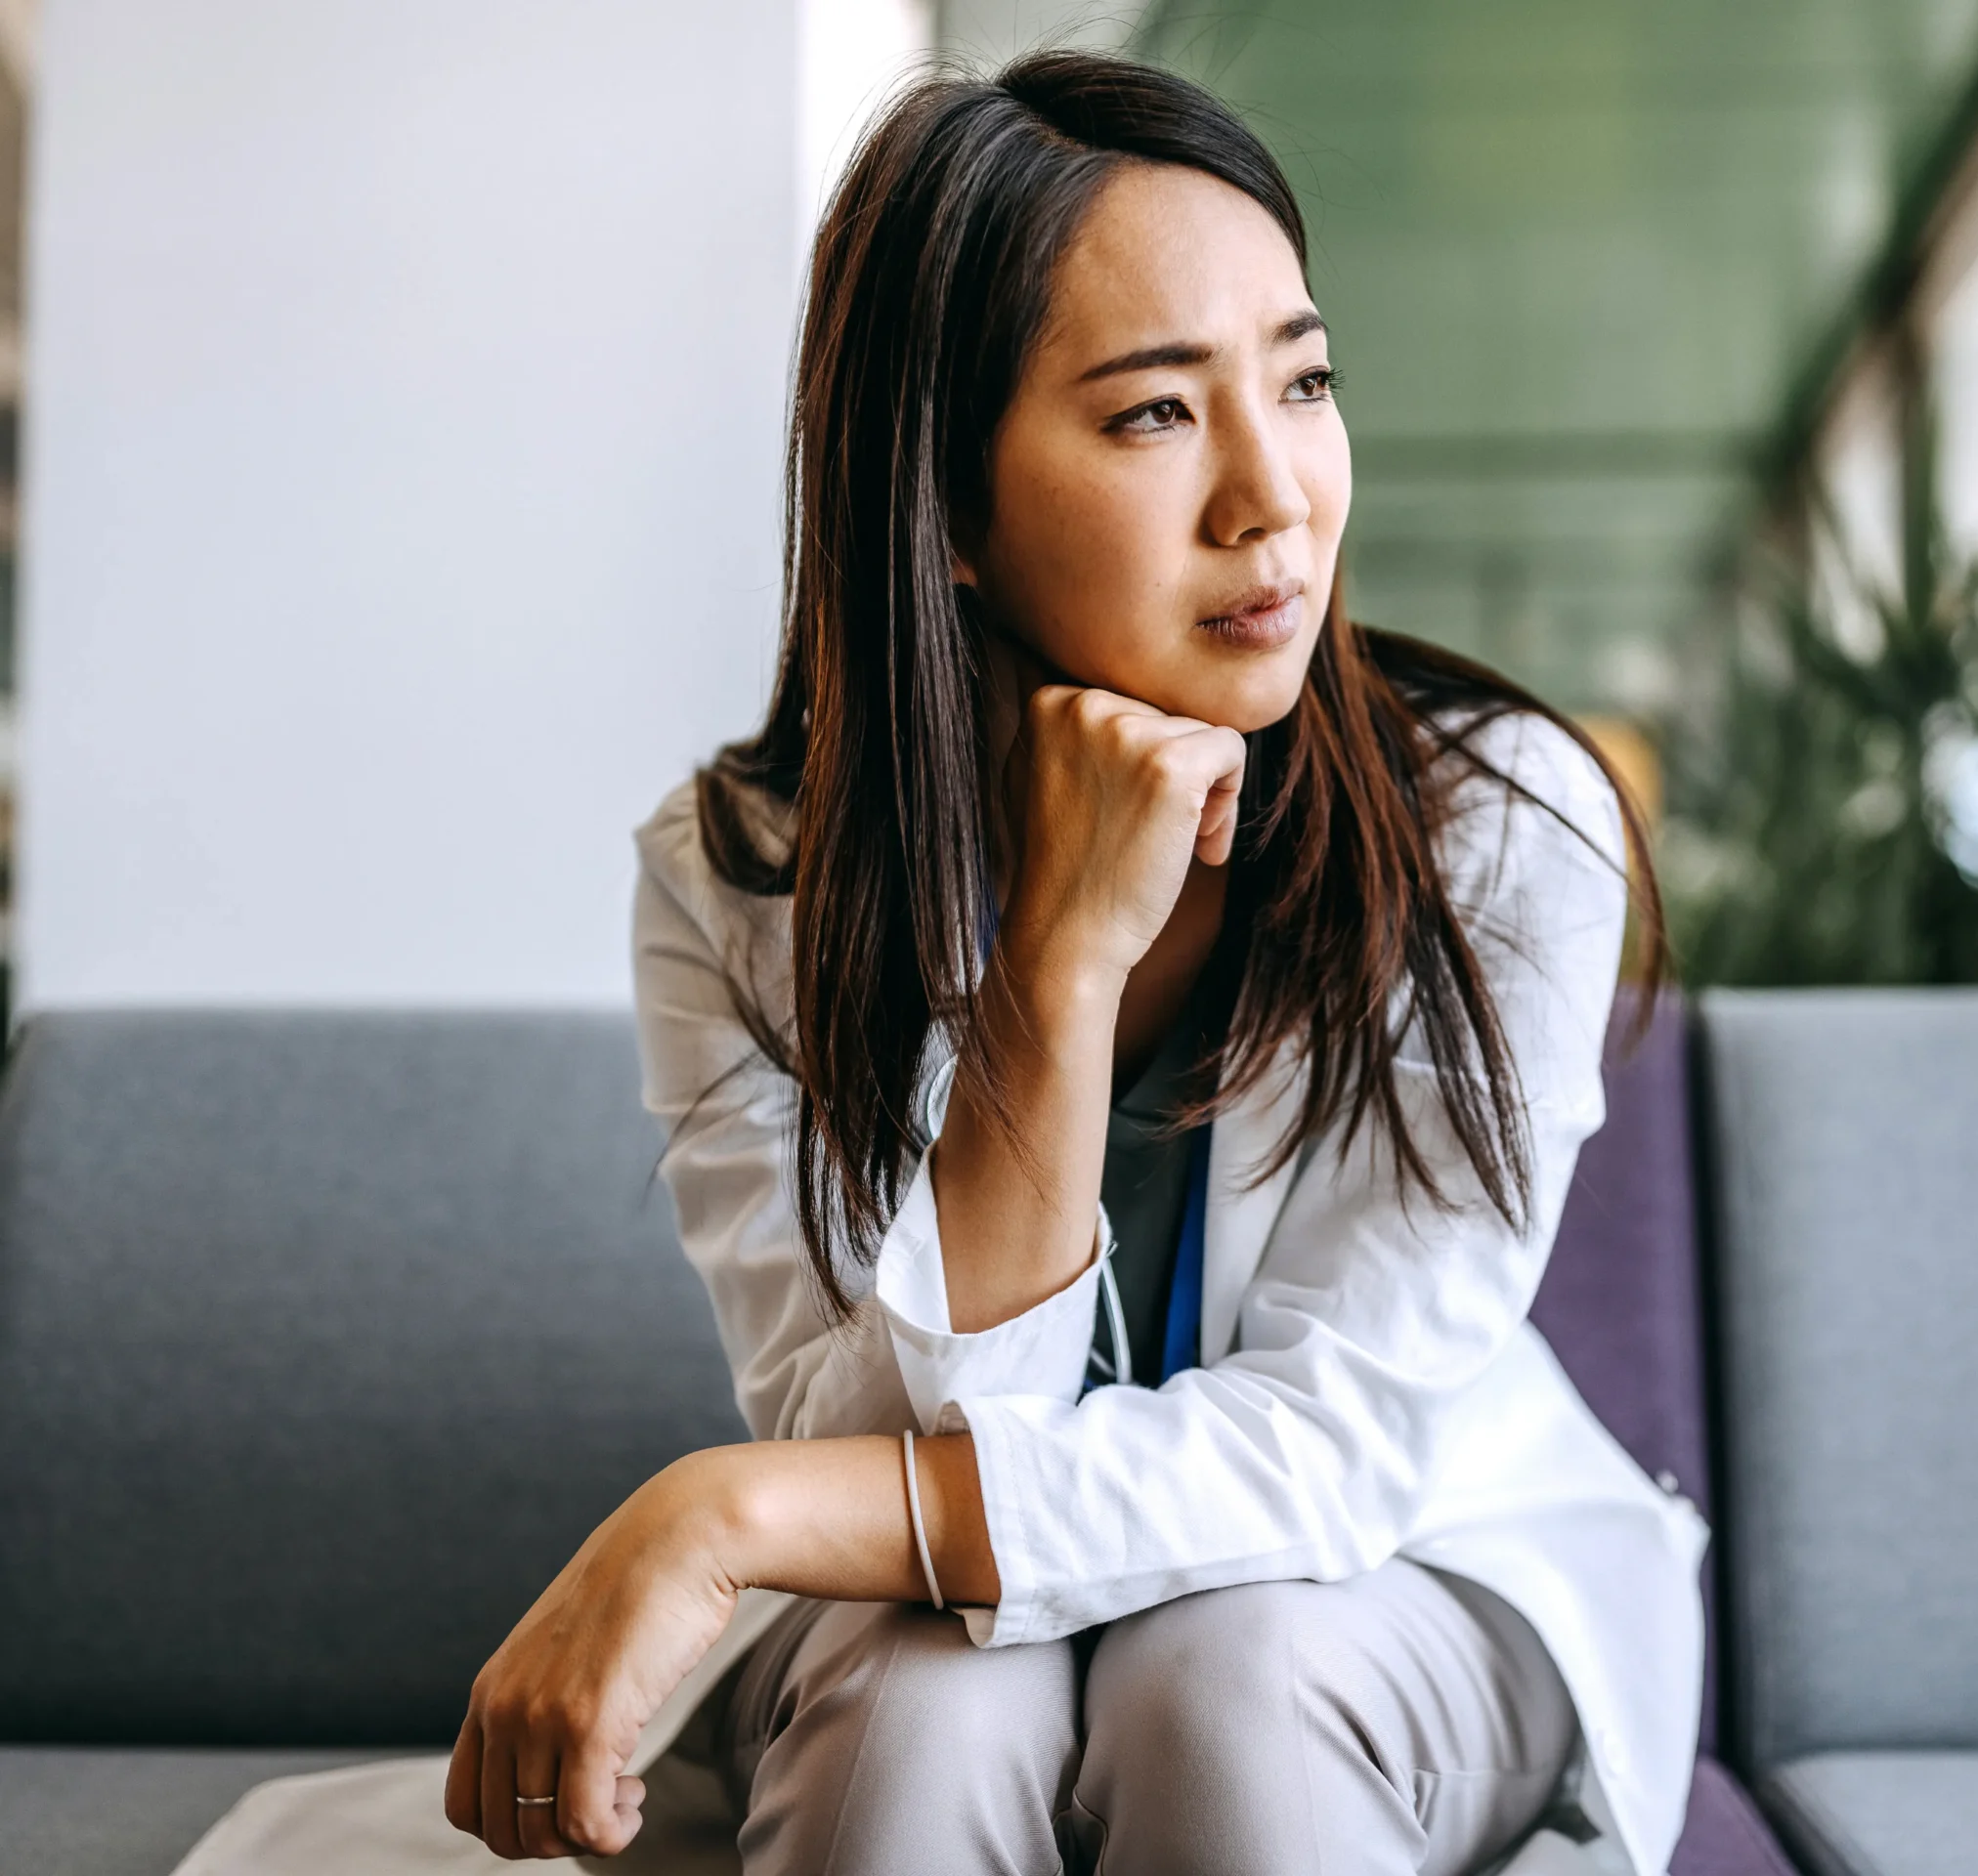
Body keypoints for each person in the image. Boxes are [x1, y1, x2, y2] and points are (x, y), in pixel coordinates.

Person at [443, 49, 1706, 1876]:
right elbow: (885, 1447)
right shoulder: (740, 885)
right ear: (946, 509)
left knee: (1224, 1679)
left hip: (1404, 1576)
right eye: (1152, 417)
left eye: (1305, 377)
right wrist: (1055, 972)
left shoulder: (1501, 822)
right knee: (916, 1704)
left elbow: (1330, 1456)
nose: (1273, 495)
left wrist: (712, 1515)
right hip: (939, 1635)